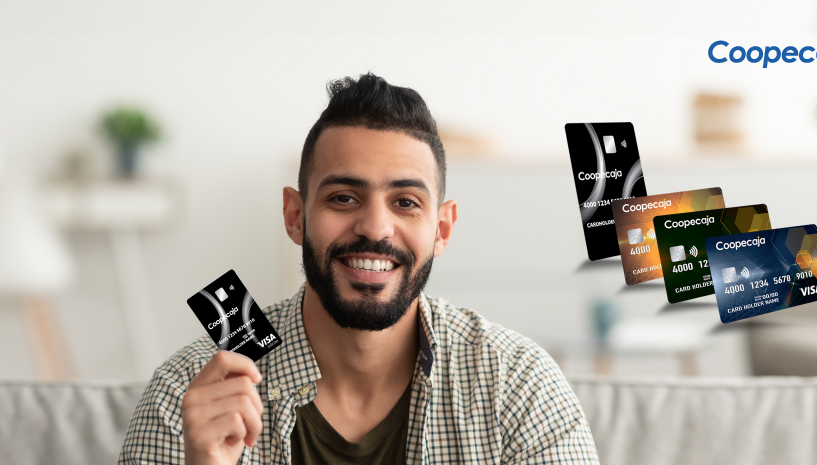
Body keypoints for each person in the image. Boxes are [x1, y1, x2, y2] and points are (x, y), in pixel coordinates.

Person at [119, 73, 599, 464]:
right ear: (295, 215)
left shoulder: (517, 385)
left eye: (406, 202)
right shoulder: (186, 394)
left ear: (442, 229)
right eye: (343, 197)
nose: (375, 227)